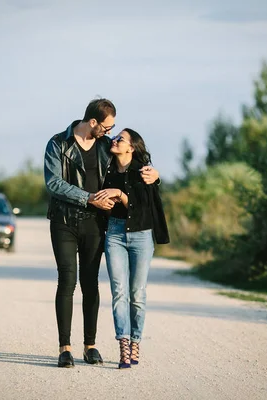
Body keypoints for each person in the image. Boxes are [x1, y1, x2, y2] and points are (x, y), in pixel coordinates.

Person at [44, 99, 160, 368]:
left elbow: (134, 162)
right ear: (92, 122)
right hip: (63, 221)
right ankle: (65, 348)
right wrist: (89, 198)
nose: (111, 132)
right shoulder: (58, 144)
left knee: (90, 283)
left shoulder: (105, 147)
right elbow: (53, 183)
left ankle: (90, 346)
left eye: (114, 128)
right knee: (67, 281)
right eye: (107, 127)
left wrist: (156, 175)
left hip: (96, 223)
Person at [93, 128, 169, 369]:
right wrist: (104, 202)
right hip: (114, 233)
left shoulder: (143, 172)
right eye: (115, 138)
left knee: (137, 294)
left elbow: (141, 208)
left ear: (132, 147)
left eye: (121, 139)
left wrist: (120, 194)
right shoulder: (106, 170)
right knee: (119, 292)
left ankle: (136, 341)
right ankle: (123, 344)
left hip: (141, 236)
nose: (115, 141)